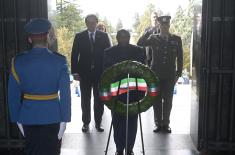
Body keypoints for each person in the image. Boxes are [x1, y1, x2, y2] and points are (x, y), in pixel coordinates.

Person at [8, 18, 71, 155]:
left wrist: (17, 118)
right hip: (53, 116)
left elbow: (12, 95)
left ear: (30, 39)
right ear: (47, 37)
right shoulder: (60, 61)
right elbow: (66, 94)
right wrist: (65, 119)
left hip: (28, 116)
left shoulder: (18, 62)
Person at [137, 16, 183, 133]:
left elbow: (180, 57)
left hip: (170, 75)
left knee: (168, 101)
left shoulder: (176, 39)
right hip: (155, 74)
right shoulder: (153, 38)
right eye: (162, 25)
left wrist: (179, 73)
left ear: (169, 26)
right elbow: (140, 43)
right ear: (159, 26)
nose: (164, 27)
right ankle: (158, 123)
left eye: (166, 25)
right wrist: (148, 31)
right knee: (156, 100)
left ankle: (166, 124)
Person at [103, 29, 146, 155]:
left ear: (129, 37)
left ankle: (130, 148)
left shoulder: (138, 51)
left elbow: (143, 71)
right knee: (117, 122)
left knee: (132, 122)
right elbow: (105, 72)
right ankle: (119, 148)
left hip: (133, 92)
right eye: (121, 37)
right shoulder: (109, 52)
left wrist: (141, 92)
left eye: (126, 37)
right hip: (116, 92)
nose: (123, 39)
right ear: (117, 38)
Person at [71, 14, 111, 132]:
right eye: (89, 22)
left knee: (99, 99)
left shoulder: (104, 36)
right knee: (85, 99)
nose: (91, 24)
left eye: (93, 22)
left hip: (100, 73)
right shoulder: (79, 36)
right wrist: (74, 72)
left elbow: (108, 54)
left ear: (96, 23)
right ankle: (86, 123)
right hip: (84, 73)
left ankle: (98, 123)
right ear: (86, 23)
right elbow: (74, 55)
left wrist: (108, 71)